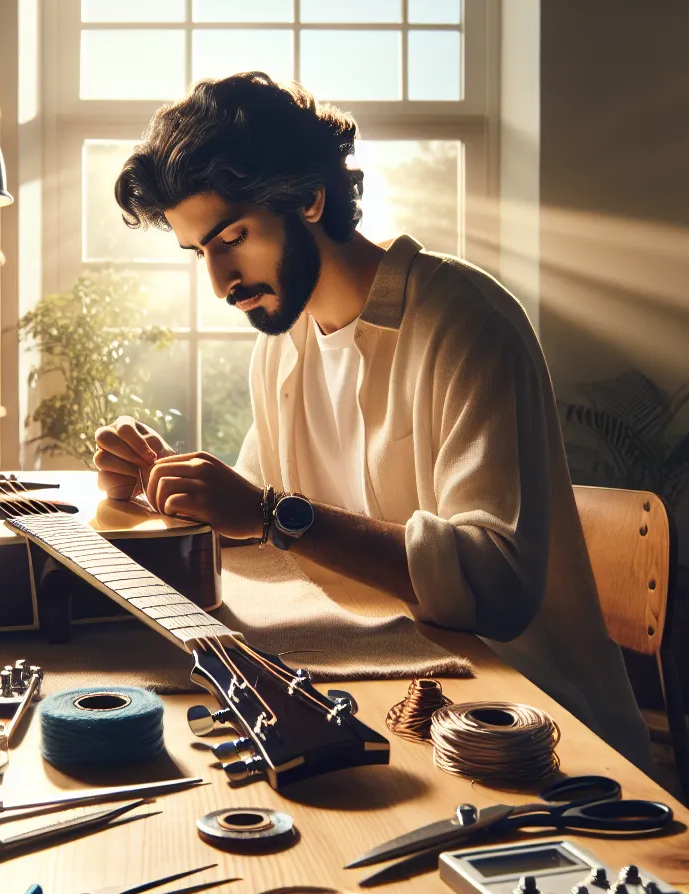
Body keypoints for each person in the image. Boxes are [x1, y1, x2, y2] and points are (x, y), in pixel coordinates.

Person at [93, 72, 651, 768]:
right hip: (389, 694)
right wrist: (165, 483)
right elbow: (259, 526)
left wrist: (269, 514)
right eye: (201, 251)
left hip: (532, 734)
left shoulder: (465, 322)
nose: (220, 280)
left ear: (309, 198)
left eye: (232, 236)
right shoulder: (286, 343)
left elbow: (498, 588)